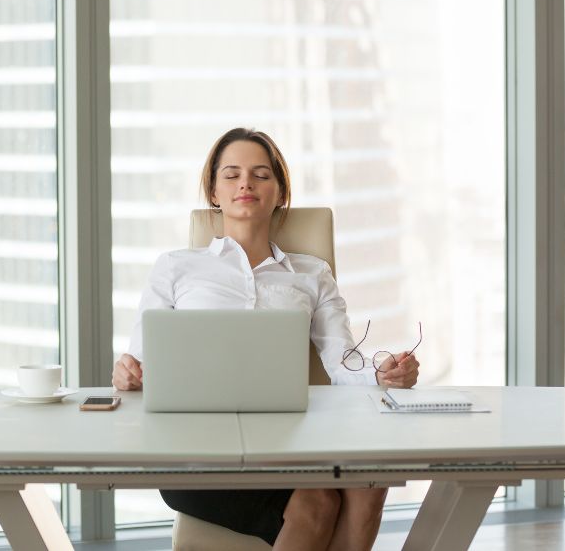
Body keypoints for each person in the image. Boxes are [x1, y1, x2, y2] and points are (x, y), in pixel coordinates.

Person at [112, 128, 420, 551]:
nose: (246, 184)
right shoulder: (175, 268)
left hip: (290, 442)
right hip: (195, 450)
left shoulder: (311, 274)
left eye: (260, 175)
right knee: (316, 502)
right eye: (232, 174)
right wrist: (127, 371)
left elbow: (342, 361)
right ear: (214, 192)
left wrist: (383, 375)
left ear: (279, 193)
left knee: (369, 485)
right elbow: (140, 362)